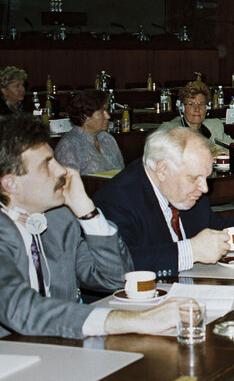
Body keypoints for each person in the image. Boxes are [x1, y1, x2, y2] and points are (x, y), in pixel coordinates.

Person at [0, 113, 178, 339]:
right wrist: (130, 321)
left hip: (64, 348)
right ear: (10, 183)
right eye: (47, 164)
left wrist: (88, 212)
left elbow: (114, 279)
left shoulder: (59, 219)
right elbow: (20, 309)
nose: (62, 170)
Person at [93, 128, 234, 276]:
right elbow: (117, 265)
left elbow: (214, 227)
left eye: (206, 178)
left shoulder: (183, 190)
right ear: (163, 169)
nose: (204, 189)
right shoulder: (117, 200)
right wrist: (191, 251)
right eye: (194, 178)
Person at [159, 81, 234, 154]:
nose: (197, 109)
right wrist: (210, 157)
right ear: (182, 108)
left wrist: (230, 153)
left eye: (201, 104)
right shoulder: (170, 130)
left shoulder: (215, 126)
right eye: (191, 104)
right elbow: (172, 159)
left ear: (207, 108)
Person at [54, 90, 125, 175]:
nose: (108, 116)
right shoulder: (69, 145)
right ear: (85, 118)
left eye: (106, 111)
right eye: (101, 113)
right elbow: (69, 182)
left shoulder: (108, 139)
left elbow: (122, 173)